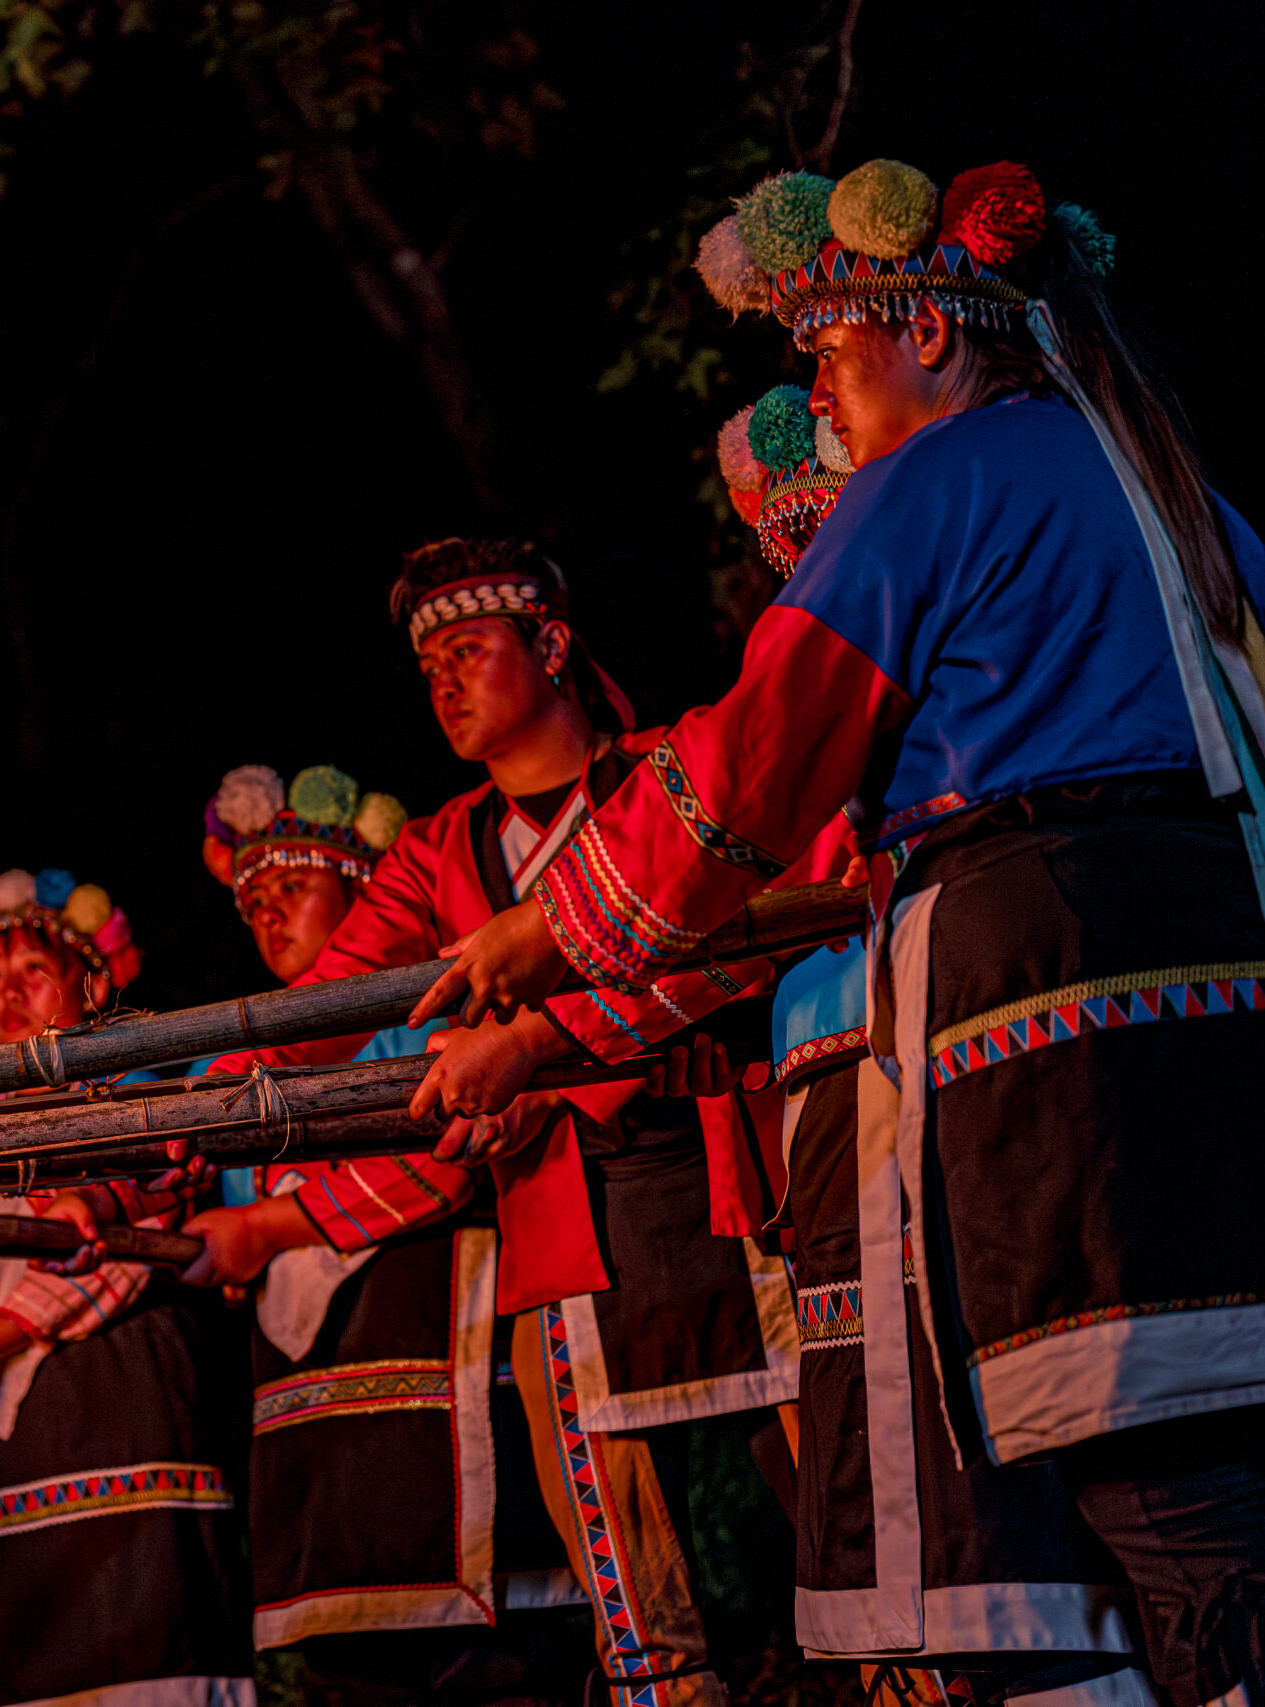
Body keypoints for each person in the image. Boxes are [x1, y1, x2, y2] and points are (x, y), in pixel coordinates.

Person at [418, 158, 1265, 1707]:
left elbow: (758, 759)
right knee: (1203, 1495)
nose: (818, 392)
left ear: (927, 329)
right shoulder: (1174, 489)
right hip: (1216, 991)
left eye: (827, 348)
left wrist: (558, 926)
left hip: (1046, 1006)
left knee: (1146, 1503)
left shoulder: (935, 481)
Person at [197, 544, 802, 1707]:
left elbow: (749, 932)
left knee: (844, 1520)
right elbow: (332, 1002)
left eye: (466, 650)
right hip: (566, 1224)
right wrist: (191, 1106)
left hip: (732, 1194)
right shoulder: (438, 848)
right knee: (640, 1621)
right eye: (426, 666)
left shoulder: (668, 771)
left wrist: (537, 1045)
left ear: (552, 644)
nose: (443, 683)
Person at [720, 385, 1156, 1707]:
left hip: (969, 1065)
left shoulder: (964, 688)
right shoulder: (801, 720)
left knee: (1034, 1507)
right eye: (789, 549)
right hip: (844, 1113)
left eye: (829, 538)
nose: (813, 571)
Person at [189, 763, 592, 1705]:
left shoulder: (434, 1020)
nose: (268, 913)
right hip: (322, 1464)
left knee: (495, 1673)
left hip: (445, 1400)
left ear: (369, 893)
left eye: (294, 885)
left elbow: (444, 1166)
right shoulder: (253, 1070)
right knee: (351, 1672)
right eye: (252, 902)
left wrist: (265, 1227)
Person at [0, 869, 254, 1707]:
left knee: (137, 1649)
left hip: (112, 1399)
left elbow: (110, 1258)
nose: (10, 990)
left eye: (35, 969)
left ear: (92, 983)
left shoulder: (139, 1102)